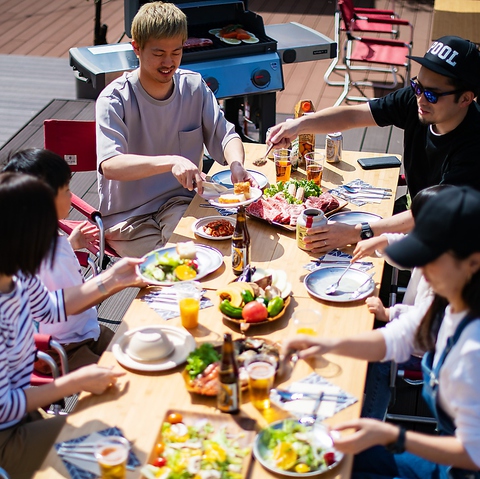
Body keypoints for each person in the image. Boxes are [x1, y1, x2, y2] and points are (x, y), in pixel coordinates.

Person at [283, 185, 480, 479]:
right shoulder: (451, 303)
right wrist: (324, 343)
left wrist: (392, 435)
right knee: (331, 455)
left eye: (431, 259)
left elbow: (473, 454)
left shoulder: (473, 349)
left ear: (473, 261)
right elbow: (394, 339)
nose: (421, 270)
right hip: (446, 454)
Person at [267, 35, 480, 255]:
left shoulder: (473, 148)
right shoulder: (416, 100)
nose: (420, 99)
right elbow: (353, 116)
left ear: (465, 99)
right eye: (417, 86)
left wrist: (357, 232)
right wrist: (298, 126)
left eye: (431, 95)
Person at [0, 172, 139, 478]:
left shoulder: (17, 277)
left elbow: (51, 308)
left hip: (24, 415)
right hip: (7, 437)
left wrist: (113, 278)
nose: (54, 241)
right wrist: (74, 383)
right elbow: (4, 408)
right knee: (115, 448)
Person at [95, 1, 252, 258]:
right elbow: (110, 165)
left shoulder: (193, 86)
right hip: (128, 218)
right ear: (137, 48)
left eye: (176, 52)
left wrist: (236, 164)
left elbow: (226, 135)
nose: (168, 62)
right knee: (179, 266)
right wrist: (171, 161)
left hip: (181, 202)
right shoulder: (114, 98)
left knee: (212, 252)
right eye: (158, 53)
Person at [3, 148, 148, 372]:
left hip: (83, 332)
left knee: (136, 349)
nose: (72, 196)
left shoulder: (35, 242)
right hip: (61, 349)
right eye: (67, 189)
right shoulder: (49, 255)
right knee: (126, 373)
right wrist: (118, 280)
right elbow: (72, 304)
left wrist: (71, 244)